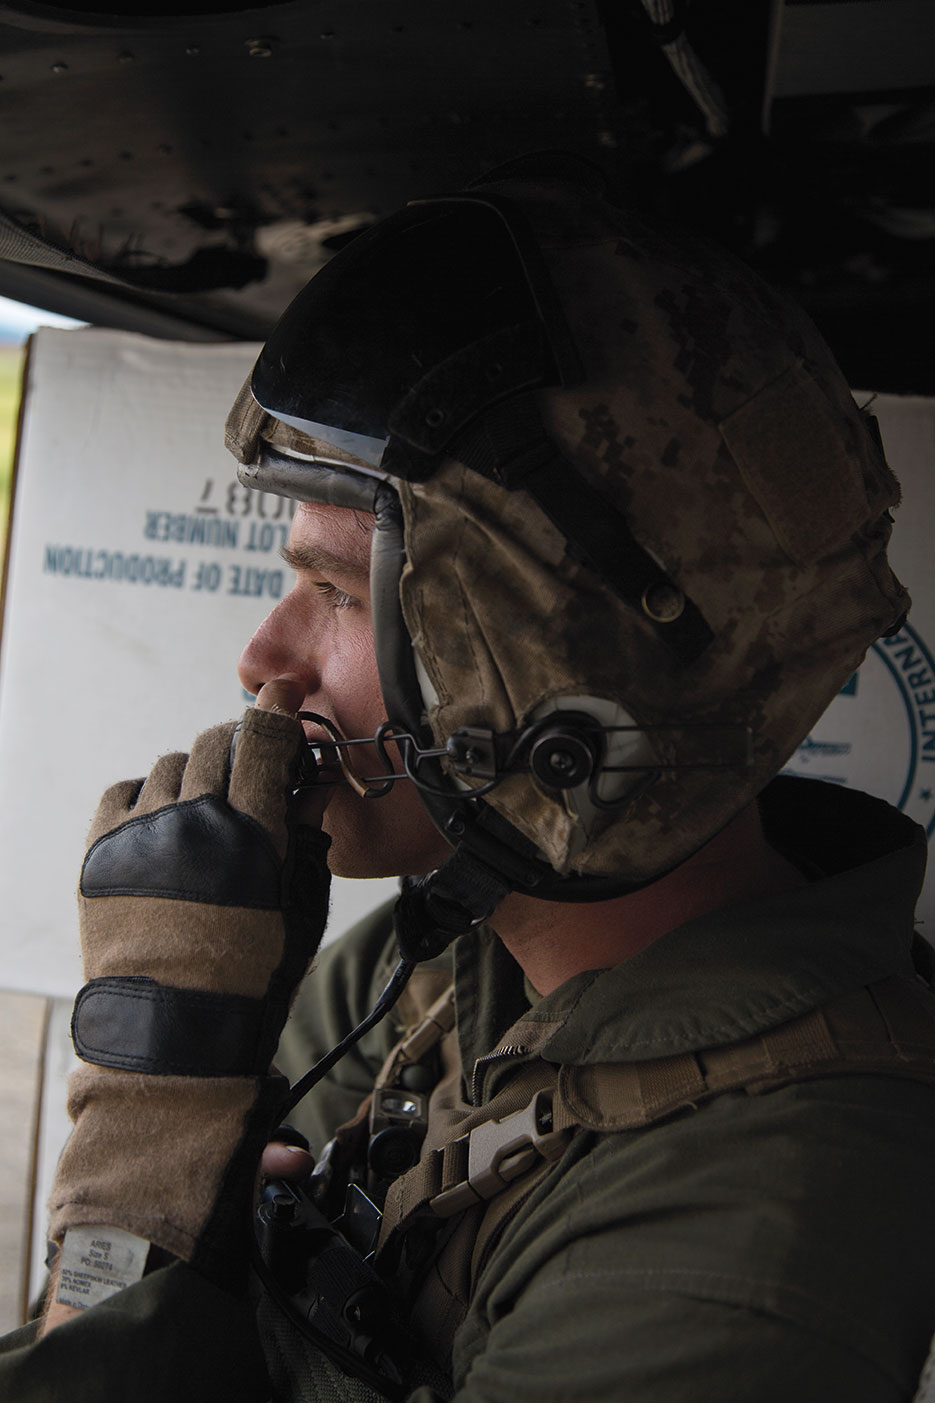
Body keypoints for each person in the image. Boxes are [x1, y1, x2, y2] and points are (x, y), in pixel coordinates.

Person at [3, 165, 935, 1402]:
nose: (264, 659)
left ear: (568, 670)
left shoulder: (754, 1219)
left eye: (337, 591)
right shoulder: (444, 963)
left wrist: (148, 1121)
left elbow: (125, 1313)